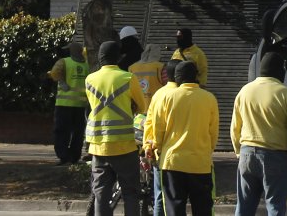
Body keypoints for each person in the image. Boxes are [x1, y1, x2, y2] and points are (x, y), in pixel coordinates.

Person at [232, 52, 287, 216]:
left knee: (244, 207)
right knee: (275, 206)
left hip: (246, 153)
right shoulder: (285, 93)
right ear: (280, 71)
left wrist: (239, 152)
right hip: (275, 157)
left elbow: (235, 128)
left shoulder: (244, 91)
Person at [146, 61, 218, 216]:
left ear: (177, 78)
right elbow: (213, 132)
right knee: (203, 209)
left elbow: (158, 129)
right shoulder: (209, 98)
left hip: (173, 164)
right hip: (200, 163)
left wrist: (155, 147)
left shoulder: (167, 97)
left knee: (174, 210)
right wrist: (206, 150)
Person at [85, 40, 148, 216]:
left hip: (98, 147)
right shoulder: (128, 77)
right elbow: (142, 106)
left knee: (101, 194)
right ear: (119, 57)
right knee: (131, 192)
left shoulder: (90, 79)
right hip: (124, 146)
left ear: (99, 58)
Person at [143, 59, 182, 216]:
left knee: (160, 195)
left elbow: (150, 123)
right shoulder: (185, 94)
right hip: (182, 155)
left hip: (160, 152)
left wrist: (148, 146)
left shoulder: (159, 94)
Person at [49, 41, 89, 165]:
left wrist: (61, 80)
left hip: (64, 104)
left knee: (61, 132)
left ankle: (63, 156)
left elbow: (54, 73)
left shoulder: (64, 62)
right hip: (80, 106)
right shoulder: (87, 65)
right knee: (78, 133)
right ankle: (74, 157)